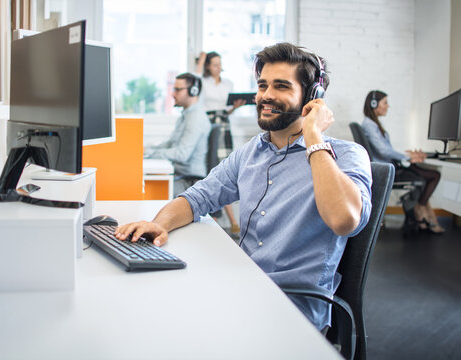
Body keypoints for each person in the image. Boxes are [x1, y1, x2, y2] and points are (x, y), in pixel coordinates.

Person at [116, 43, 373, 331]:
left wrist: (313, 135)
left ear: (313, 97)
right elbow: (197, 198)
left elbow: (344, 220)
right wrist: (160, 224)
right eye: (263, 85)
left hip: (292, 311)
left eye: (281, 86)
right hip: (243, 287)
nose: (266, 95)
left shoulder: (348, 156)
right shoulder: (251, 152)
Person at [361, 90, 444, 233]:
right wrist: (407, 158)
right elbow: (384, 151)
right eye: (385, 102)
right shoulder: (369, 125)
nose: (388, 106)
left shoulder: (373, 124)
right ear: (374, 104)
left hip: (391, 167)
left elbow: (386, 150)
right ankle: (420, 209)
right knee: (433, 175)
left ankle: (420, 210)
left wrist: (407, 156)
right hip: (390, 170)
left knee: (428, 175)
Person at [195, 51, 245, 235]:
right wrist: (200, 60)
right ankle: (227, 220)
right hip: (209, 125)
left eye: (219, 64)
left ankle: (230, 220)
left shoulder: (228, 83)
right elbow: (196, 79)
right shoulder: (204, 82)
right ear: (208, 66)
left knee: (226, 169)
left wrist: (235, 107)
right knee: (213, 168)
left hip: (224, 124)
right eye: (214, 64)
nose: (218, 67)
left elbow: (226, 111)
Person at [144, 73, 211, 197]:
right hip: (179, 176)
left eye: (177, 90)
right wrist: (147, 150)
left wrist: (150, 153)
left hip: (189, 181)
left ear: (193, 91)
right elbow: (170, 143)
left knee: (150, 191)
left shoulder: (196, 117)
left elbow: (182, 154)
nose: (173, 94)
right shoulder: (186, 115)